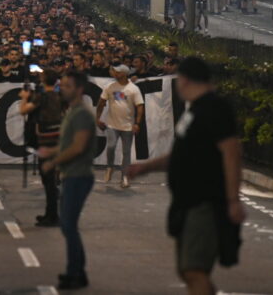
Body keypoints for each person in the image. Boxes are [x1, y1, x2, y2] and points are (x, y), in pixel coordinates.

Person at [128, 57, 244, 295]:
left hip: (206, 202)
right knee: (187, 269)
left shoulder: (214, 108)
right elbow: (181, 155)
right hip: (187, 202)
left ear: (186, 79)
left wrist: (233, 200)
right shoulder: (194, 111)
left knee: (194, 269)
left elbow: (231, 153)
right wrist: (145, 167)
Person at [41, 72, 95, 291]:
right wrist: (51, 150)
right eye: (61, 85)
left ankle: (75, 273)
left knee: (69, 226)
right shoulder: (72, 112)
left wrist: (53, 162)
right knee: (67, 226)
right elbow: (67, 144)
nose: (62, 89)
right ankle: (78, 271)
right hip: (72, 175)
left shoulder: (81, 114)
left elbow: (78, 146)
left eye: (67, 86)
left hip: (78, 176)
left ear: (79, 89)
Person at [20, 68, 64, 226]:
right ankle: (50, 213)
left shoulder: (41, 97)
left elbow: (23, 110)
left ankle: (52, 215)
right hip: (57, 137)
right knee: (50, 177)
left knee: (48, 178)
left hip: (45, 140)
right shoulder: (60, 96)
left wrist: (24, 98)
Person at [95, 64, 144, 188]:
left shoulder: (133, 89)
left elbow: (140, 106)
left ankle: (125, 177)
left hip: (127, 126)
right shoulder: (110, 87)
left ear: (124, 73)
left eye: (117, 72)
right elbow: (101, 102)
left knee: (126, 152)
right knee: (111, 146)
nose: (114, 74)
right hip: (112, 124)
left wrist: (137, 123)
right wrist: (97, 118)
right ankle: (110, 167)